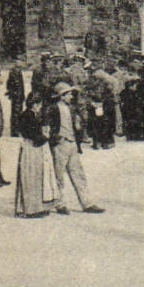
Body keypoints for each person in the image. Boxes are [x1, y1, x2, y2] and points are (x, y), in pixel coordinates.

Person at [46, 80, 104, 213]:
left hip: (72, 144)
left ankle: (87, 203)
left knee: (78, 173)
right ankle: (60, 204)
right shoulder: (53, 109)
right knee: (58, 175)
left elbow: (78, 124)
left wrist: (78, 129)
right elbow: (48, 127)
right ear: (62, 96)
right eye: (68, 95)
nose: (71, 97)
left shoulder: (71, 108)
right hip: (60, 144)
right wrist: (57, 138)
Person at [13, 91, 59, 217]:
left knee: (37, 177)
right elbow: (32, 134)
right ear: (33, 104)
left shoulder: (32, 115)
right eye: (38, 105)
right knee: (31, 178)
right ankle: (30, 209)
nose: (40, 107)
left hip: (34, 147)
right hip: (31, 148)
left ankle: (37, 206)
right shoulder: (27, 116)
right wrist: (45, 137)